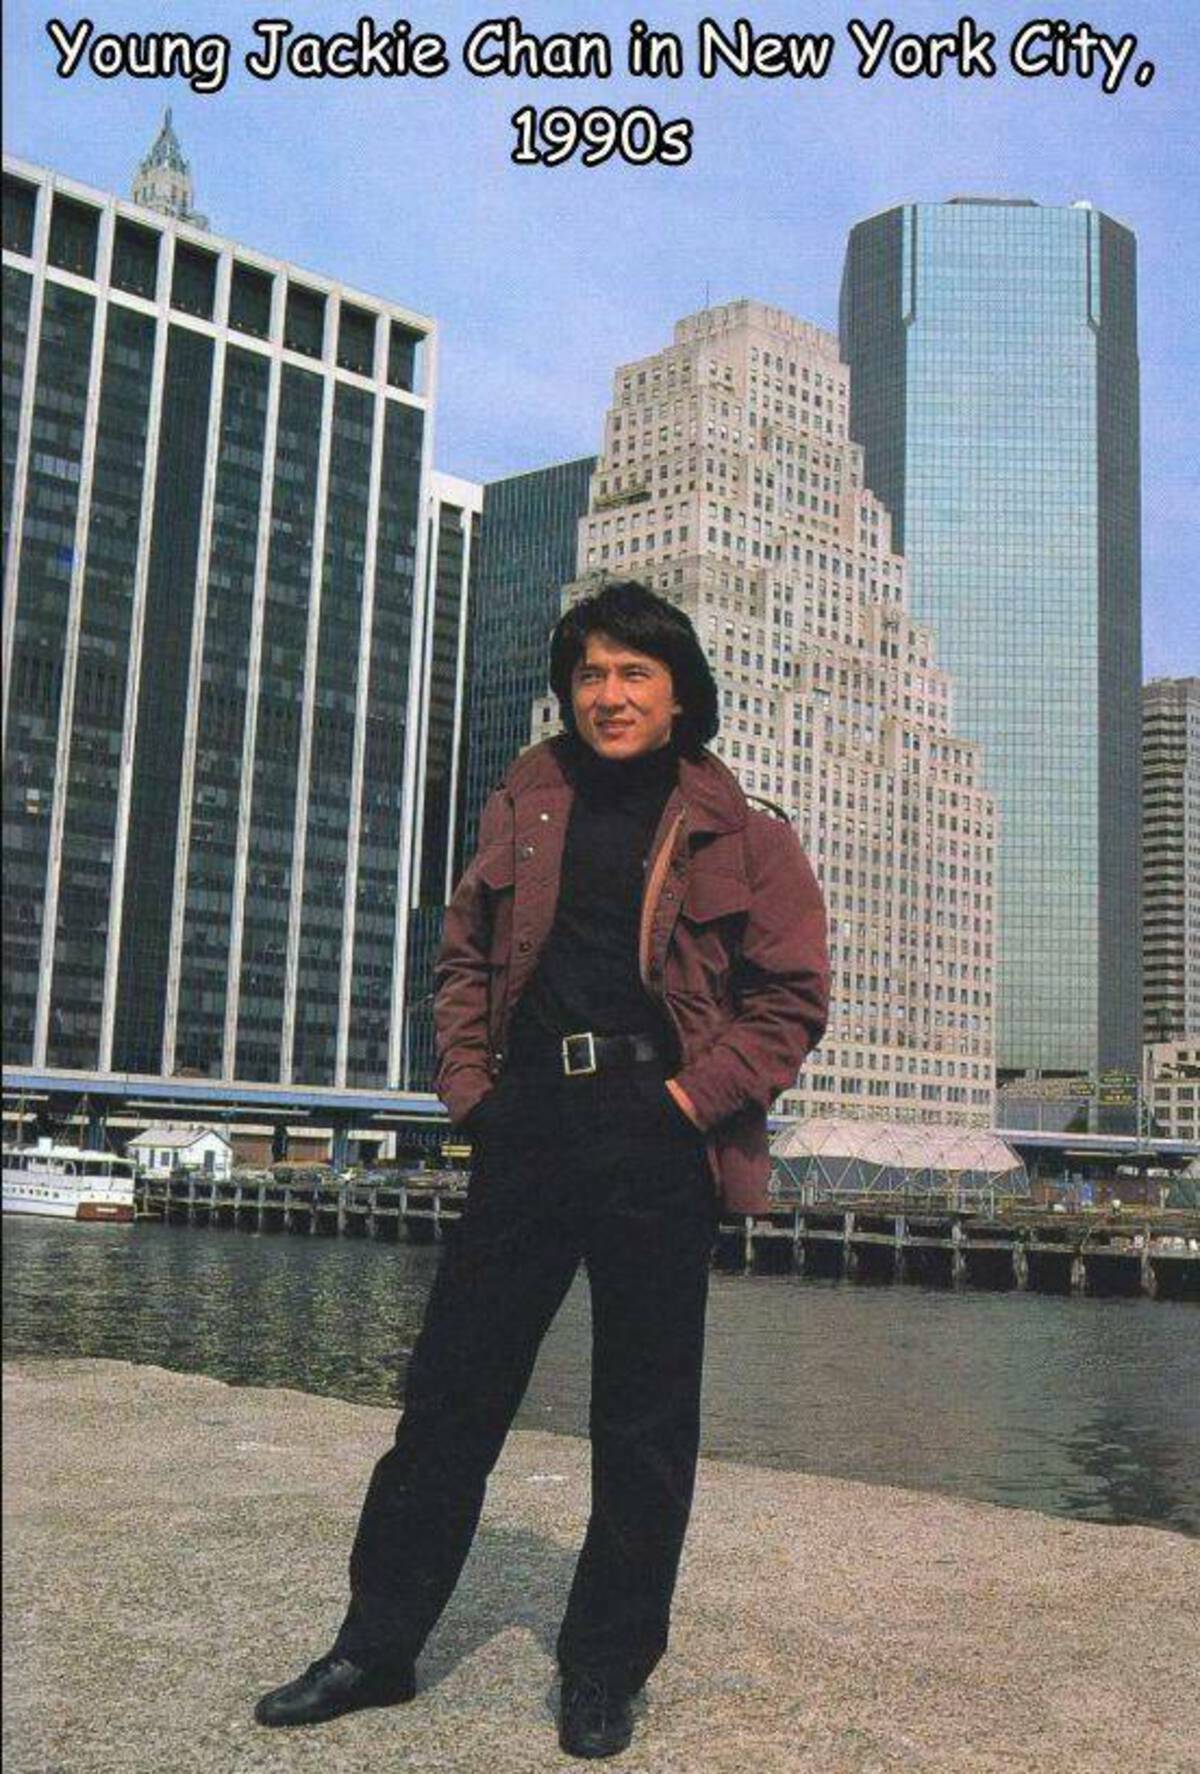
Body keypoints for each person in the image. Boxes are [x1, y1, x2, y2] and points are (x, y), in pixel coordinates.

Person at [254, 579, 829, 1758]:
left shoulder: (750, 834)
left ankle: (604, 1668)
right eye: (589, 673)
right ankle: (376, 1646)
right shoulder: (526, 801)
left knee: (644, 1421)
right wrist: (473, 1095)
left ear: (680, 697)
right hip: (528, 1129)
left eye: (633, 674)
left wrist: (686, 1099)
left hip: (660, 1138)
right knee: (451, 1398)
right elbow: (464, 957)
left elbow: (790, 1002)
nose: (608, 694)